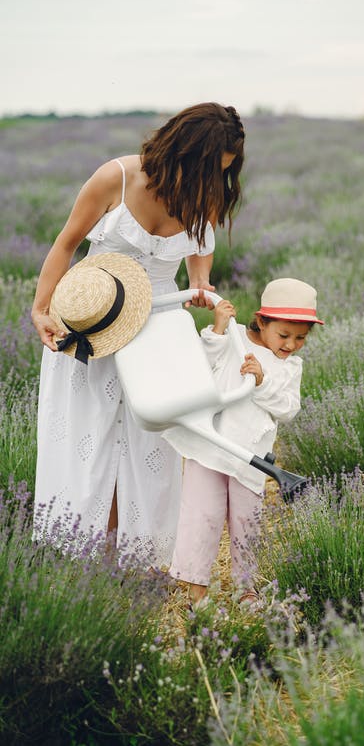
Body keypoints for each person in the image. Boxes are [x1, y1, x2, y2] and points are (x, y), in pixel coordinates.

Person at [31, 102, 245, 566]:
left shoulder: (205, 197)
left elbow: (198, 277)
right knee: (89, 441)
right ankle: (79, 558)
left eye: (224, 173)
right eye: (212, 169)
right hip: (95, 318)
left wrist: (204, 295)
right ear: (185, 153)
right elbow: (66, 243)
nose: (217, 183)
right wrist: (41, 308)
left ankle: (134, 561)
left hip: (158, 329)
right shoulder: (117, 177)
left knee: (149, 440)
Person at [164, 278, 324, 606]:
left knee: (247, 523)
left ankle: (246, 589)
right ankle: (197, 592)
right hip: (210, 445)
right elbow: (202, 369)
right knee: (201, 516)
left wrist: (261, 381)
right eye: (284, 335)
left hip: (250, 457)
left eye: (300, 338)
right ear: (261, 321)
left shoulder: (290, 365)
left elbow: (288, 409)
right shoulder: (234, 338)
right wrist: (219, 329)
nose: (291, 345)